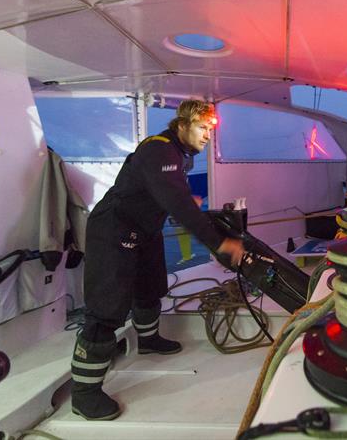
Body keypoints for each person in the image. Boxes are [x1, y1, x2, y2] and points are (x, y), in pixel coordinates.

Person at [70, 99, 244, 420]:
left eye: (210, 129)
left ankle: (148, 340)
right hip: (114, 228)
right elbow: (176, 202)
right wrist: (220, 244)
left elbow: (164, 190)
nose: (207, 136)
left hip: (144, 227)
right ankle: (84, 394)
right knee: (105, 311)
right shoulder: (160, 149)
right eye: (202, 128)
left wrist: (185, 200)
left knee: (150, 287)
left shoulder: (177, 155)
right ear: (182, 125)